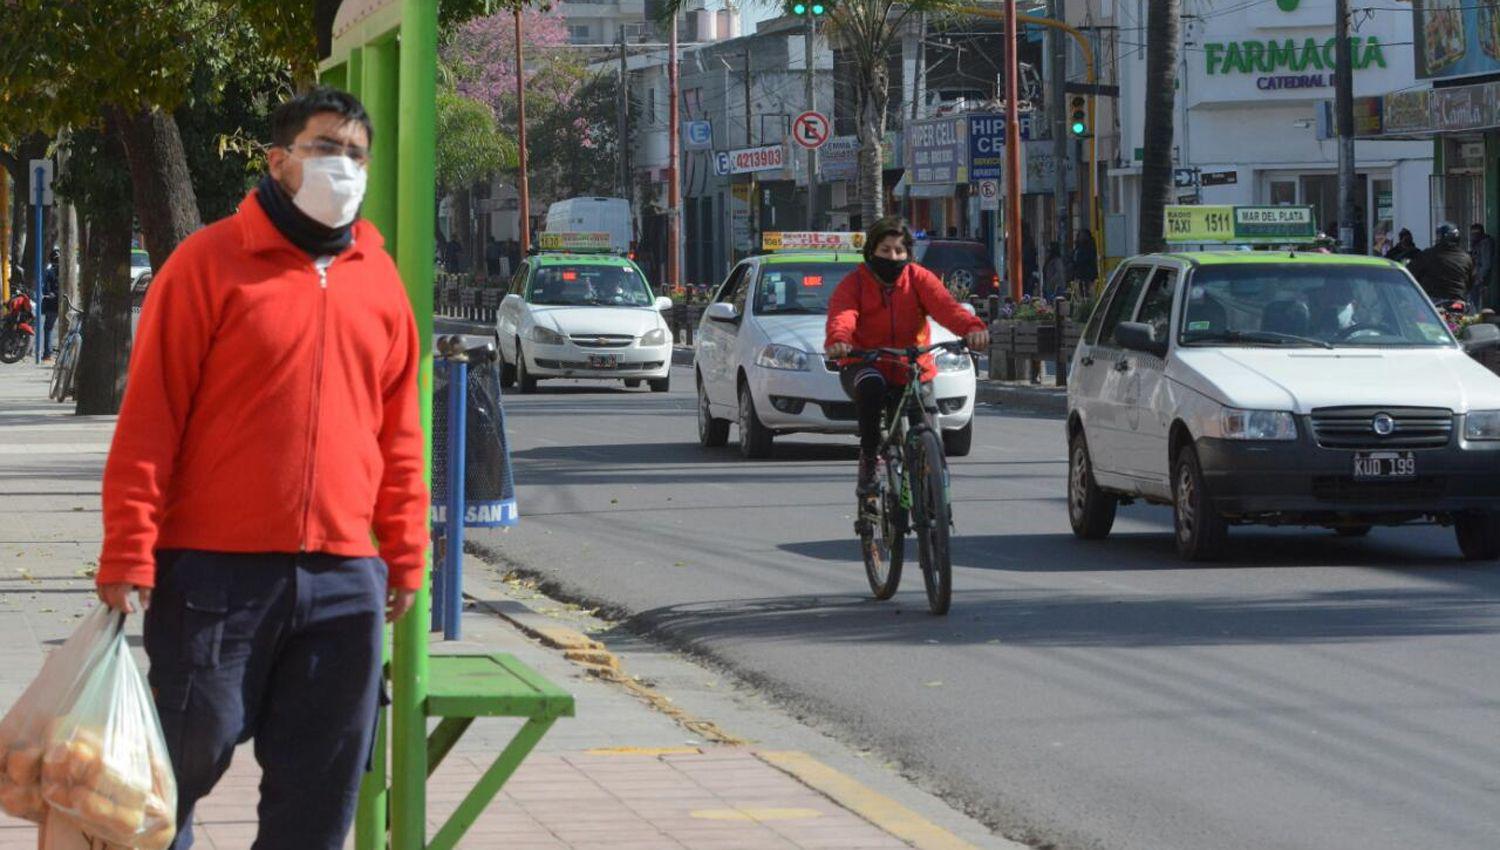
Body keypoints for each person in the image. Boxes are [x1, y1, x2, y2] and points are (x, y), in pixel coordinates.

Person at [95, 88, 427, 850]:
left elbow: (399, 435)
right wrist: (127, 549)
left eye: (355, 154)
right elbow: (150, 420)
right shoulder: (206, 266)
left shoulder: (380, 281)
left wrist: (405, 554)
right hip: (214, 580)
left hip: (346, 583)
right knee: (162, 787)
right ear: (279, 162)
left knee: (318, 801)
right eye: (323, 148)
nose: (341, 166)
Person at [825, 217, 989, 495]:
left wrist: (973, 328)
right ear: (871, 252)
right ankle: (868, 460)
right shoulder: (854, 283)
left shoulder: (919, 279)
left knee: (925, 427)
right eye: (885, 250)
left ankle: (931, 487)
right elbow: (843, 316)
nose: (893, 257)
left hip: (912, 365)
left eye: (899, 251)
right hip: (865, 362)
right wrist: (840, 340)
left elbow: (947, 308)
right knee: (871, 386)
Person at [1409, 222, 1474, 302]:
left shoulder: (1428, 255)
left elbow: (1411, 273)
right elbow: (1471, 283)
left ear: (1440, 237)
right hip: (1459, 301)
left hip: (1433, 302)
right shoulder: (1466, 258)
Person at [1470, 223, 1495, 308]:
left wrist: (1479, 277)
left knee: (1477, 303)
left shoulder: (1485, 243)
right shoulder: (1477, 243)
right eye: (1472, 233)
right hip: (1477, 276)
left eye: (1476, 233)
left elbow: (1486, 263)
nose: (1474, 236)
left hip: (1481, 279)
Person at [41, 249, 59, 359]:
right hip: (66, 302)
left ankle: (47, 354)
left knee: (48, 328)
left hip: (51, 305)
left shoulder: (48, 272)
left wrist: (50, 294)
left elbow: (45, 289)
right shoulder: (66, 270)